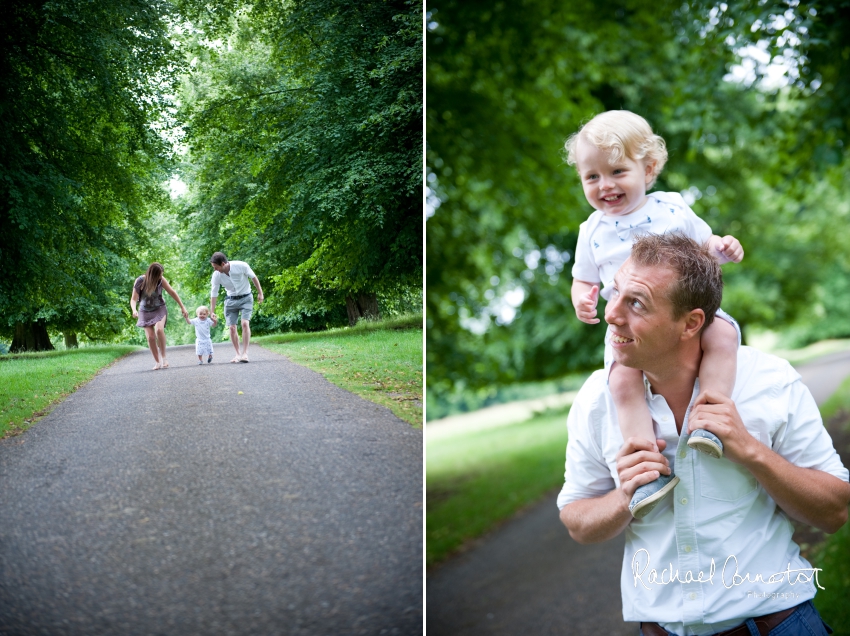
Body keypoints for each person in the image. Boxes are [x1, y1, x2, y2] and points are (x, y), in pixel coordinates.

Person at [558, 233, 850, 635]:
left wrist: (751, 451)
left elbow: (835, 511)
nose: (611, 315)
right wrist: (625, 496)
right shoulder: (596, 399)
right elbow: (577, 521)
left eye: (636, 303)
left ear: (691, 323)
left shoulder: (770, 381)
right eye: (616, 294)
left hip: (780, 623)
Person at [565, 110, 744, 518]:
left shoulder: (673, 208)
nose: (605, 185)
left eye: (616, 171)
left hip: (682, 310)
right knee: (622, 384)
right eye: (591, 177)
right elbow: (581, 280)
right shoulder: (591, 231)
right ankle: (647, 470)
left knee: (722, 337)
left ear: (648, 168)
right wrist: (582, 299)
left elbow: (706, 246)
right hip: (631, 331)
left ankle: (709, 418)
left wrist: (723, 249)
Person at [130, 262, 189, 370]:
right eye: (159, 275)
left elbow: (172, 292)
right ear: (153, 274)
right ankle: (157, 362)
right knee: (151, 337)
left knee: (159, 330)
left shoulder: (161, 280)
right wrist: (134, 310)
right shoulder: (140, 281)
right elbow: (133, 299)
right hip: (144, 311)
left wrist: (182, 307)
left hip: (159, 308)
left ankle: (164, 358)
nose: (161, 277)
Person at [209, 252, 264, 363]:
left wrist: (260, 293)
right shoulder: (216, 275)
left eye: (216, 267)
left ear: (223, 263)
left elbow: (253, 277)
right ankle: (238, 354)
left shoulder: (241, 265)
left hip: (246, 298)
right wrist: (212, 311)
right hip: (230, 301)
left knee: (245, 323)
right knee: (232, 328)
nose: (215, 270)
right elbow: (214, 292)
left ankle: (245, 354)